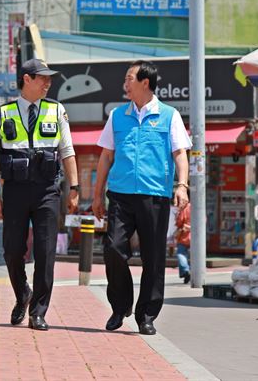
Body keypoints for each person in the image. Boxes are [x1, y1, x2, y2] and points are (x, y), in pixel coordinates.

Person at [92, 60, 191, 336]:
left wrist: (181, 185)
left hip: (154, 196)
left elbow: (180, 153)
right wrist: (97, 194)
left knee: (154, 257)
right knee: (112, 248)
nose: (125, 83)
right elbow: (106, 157)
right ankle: (119, 306)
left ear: (145, 83)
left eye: (129, 78)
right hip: (120, 195)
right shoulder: (117, 116)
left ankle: (146, 315)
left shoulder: (169, 115)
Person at [0, 58, 79, 331]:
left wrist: (73, 189)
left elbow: (67, 152)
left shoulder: (56, 110)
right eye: (42, 78)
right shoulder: (3, 114)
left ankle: (38, 312)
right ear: (26, 79)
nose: (48, 83)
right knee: (12, 251)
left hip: (47, 191)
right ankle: (22, 294)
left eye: (49, 78)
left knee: (45, 252)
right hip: (15, 191)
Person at [175, 201, 191, 284]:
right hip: (196, 236)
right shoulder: (199, 207)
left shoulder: (184, 208)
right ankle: (191, 271)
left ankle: (185, 270)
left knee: (181, 253)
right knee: (194, 256)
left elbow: (179, 221)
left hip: (185, 234)